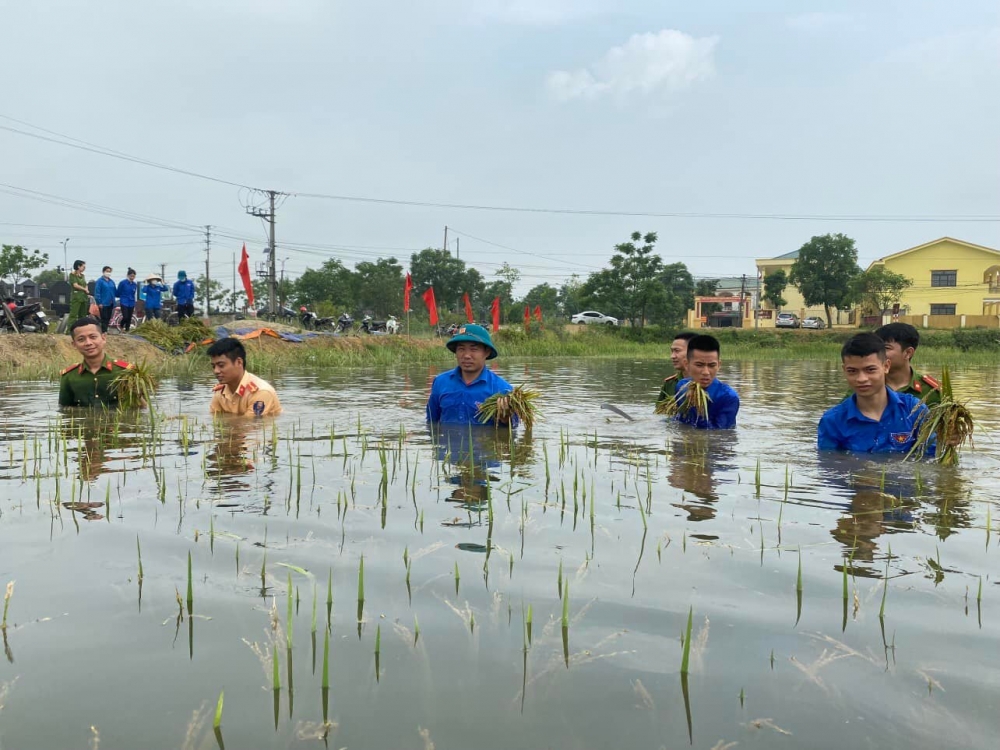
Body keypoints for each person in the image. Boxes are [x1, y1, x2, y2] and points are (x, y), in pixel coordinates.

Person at [818, 333, 932, 454]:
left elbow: (932, 457)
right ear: (844, 370)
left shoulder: (914, 410)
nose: (861, 379)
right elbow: (829, 466)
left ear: (886, 366)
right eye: (852, 371)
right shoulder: (833, 421)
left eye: (870, 370)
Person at [426, 324, 515, 426]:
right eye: (461, 349)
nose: (467, 355)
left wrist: (505, 419)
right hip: (448, 441)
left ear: (486, 352)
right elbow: (431, 422)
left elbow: (512, 429)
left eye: (474, 349)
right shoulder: (440, 382)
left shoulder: (503, 390)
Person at [59, 316, 134, 407]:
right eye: (81, 339)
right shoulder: (69, 376)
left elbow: (141, 409)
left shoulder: (126, 372)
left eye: (93, 337)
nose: (88, 343)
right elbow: (64, 410)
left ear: (103, 338)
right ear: (74, 344)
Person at [671, 334, 740, 429]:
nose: (706, 372)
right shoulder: (682, 386)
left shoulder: (728, 397)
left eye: (712, 365)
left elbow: (718, 434)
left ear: (719, 365)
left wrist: (696, 406)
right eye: (699, 365)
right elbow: (679, 420)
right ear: (687, 364)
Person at [208, 337, 282, 416]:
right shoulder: (220, 392)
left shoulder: (261, 392)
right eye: (213, 366)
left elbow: (248, 424)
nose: (216, 371)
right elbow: (214, 418)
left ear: (239, 362)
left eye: (221, 365)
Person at [874, 322, 941, 406]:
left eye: (886, 348)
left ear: (908, 353)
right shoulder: (864, 385)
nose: (877, 353)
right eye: (876, 348)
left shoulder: (932, 391)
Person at [658, 331, 696, 403]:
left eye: (677, 351)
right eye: (672, 351)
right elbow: (659, 412)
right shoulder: (670, 384)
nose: (672, 356)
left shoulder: (709, 385)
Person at [94, 266, 117, 333]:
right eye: (107, 271)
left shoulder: (111, 281)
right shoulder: (100, 281)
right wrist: (99, 302)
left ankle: (105, 330)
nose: (108, 273)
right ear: (103, 271)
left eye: (109, 271)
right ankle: (103, 331)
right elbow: (97, 292)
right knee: (104, 318)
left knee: (108, 318)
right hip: (103, 303)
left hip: (111, 302)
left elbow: (115, 291)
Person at [68, 259, 89, 324]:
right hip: (76, 297)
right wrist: (84, 289)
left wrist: (86, 289)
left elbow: (85, 284)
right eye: (83, 266)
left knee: (83, 315)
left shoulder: (82, 276)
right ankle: (70, 330)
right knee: (73, 314)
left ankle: (81, 329)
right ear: (78, 266)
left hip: (83, 297)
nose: (84, 268)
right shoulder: (72, 275)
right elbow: (75, 285)